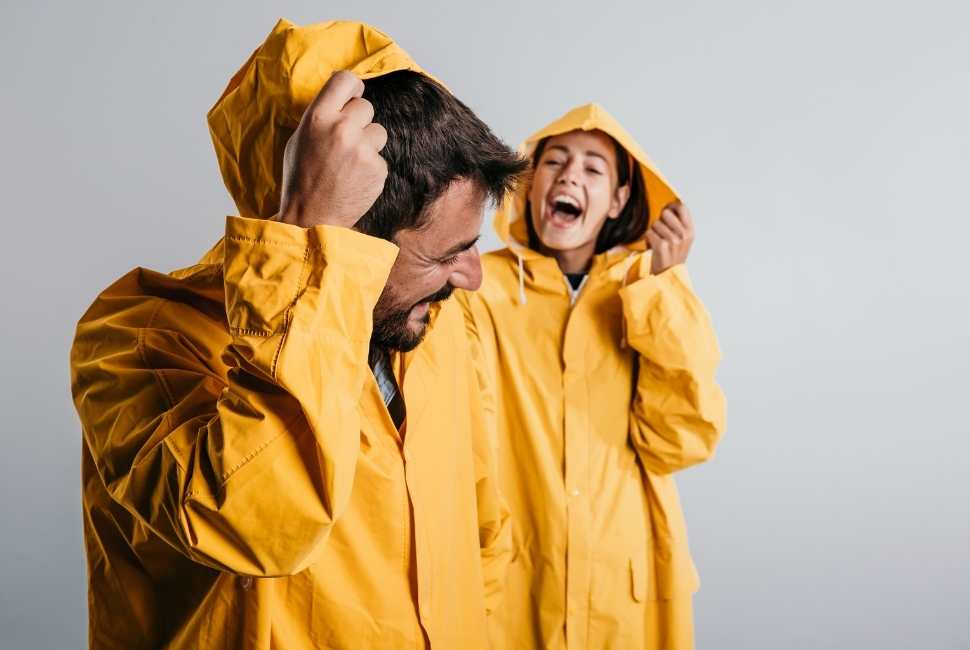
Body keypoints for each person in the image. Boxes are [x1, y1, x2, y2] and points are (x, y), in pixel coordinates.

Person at [70, 19, 526, 649]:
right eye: (444, 255)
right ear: (350, 240)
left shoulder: (436, 327)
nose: (472, 277)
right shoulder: (137, 335)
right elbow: (255, 524)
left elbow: (481, 532)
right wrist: (308, 245)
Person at [457, 103, 727, 649]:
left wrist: (664, 288)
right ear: (529, 185)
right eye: (554, 161)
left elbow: (679, 443)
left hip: (619, 590)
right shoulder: (480, 288)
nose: (570, 176)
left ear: (619, 200)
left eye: (593, 169)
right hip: (515, 586)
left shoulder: (646, 294)